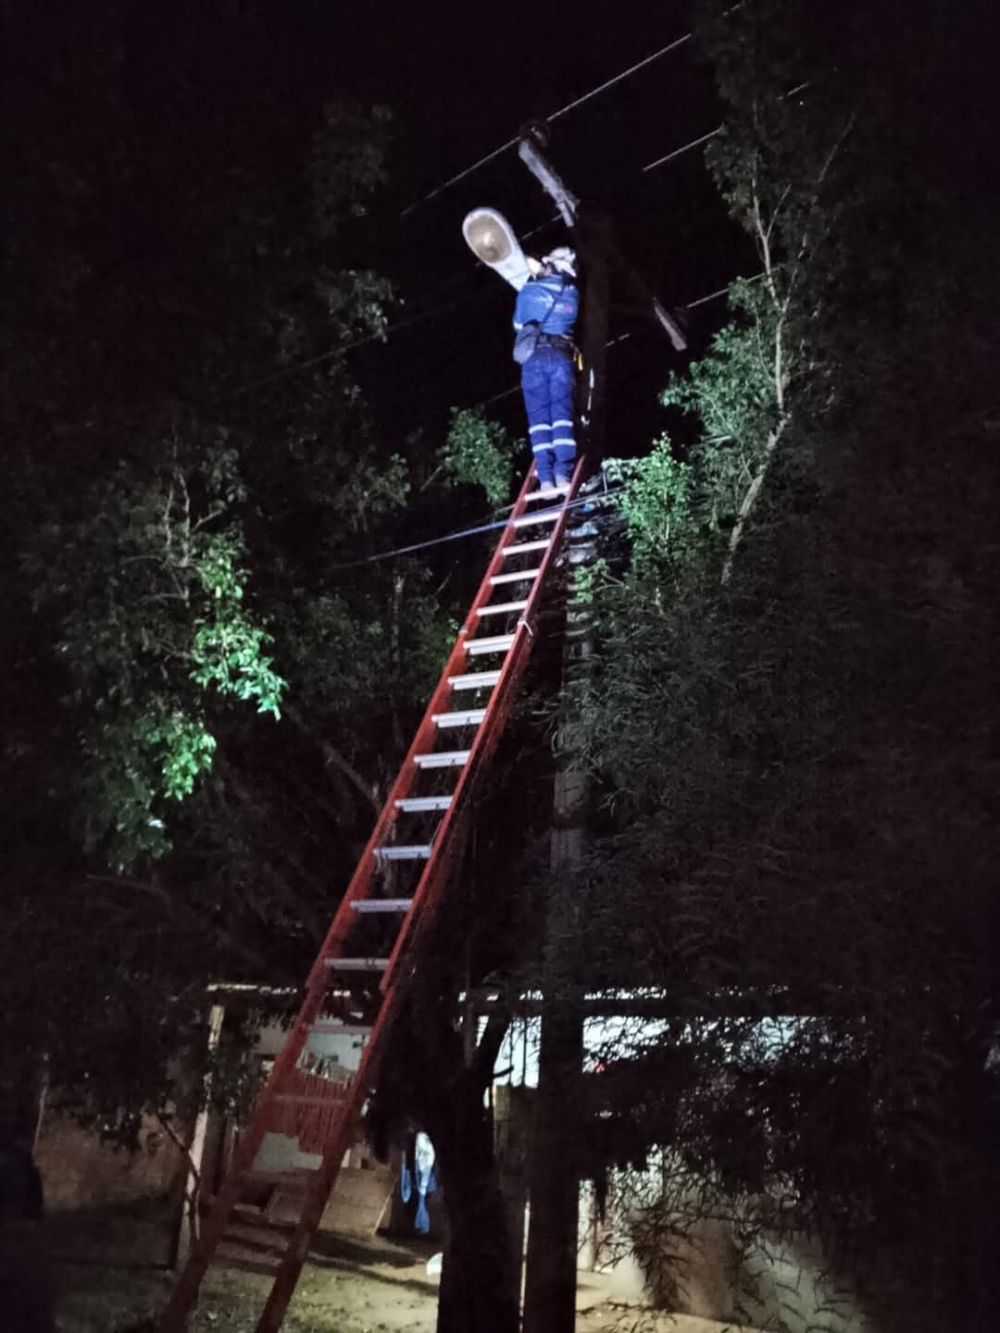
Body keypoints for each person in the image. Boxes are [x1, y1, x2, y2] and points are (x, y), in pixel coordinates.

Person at [512, 246, 580, 495]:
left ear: (549, 265)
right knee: (562, 414)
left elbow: (519, 325)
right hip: (561, 356)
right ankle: (563, 474)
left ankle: (546, 480)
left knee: (539, 420)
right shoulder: (572, 294)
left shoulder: (528, 290)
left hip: (534, 359)